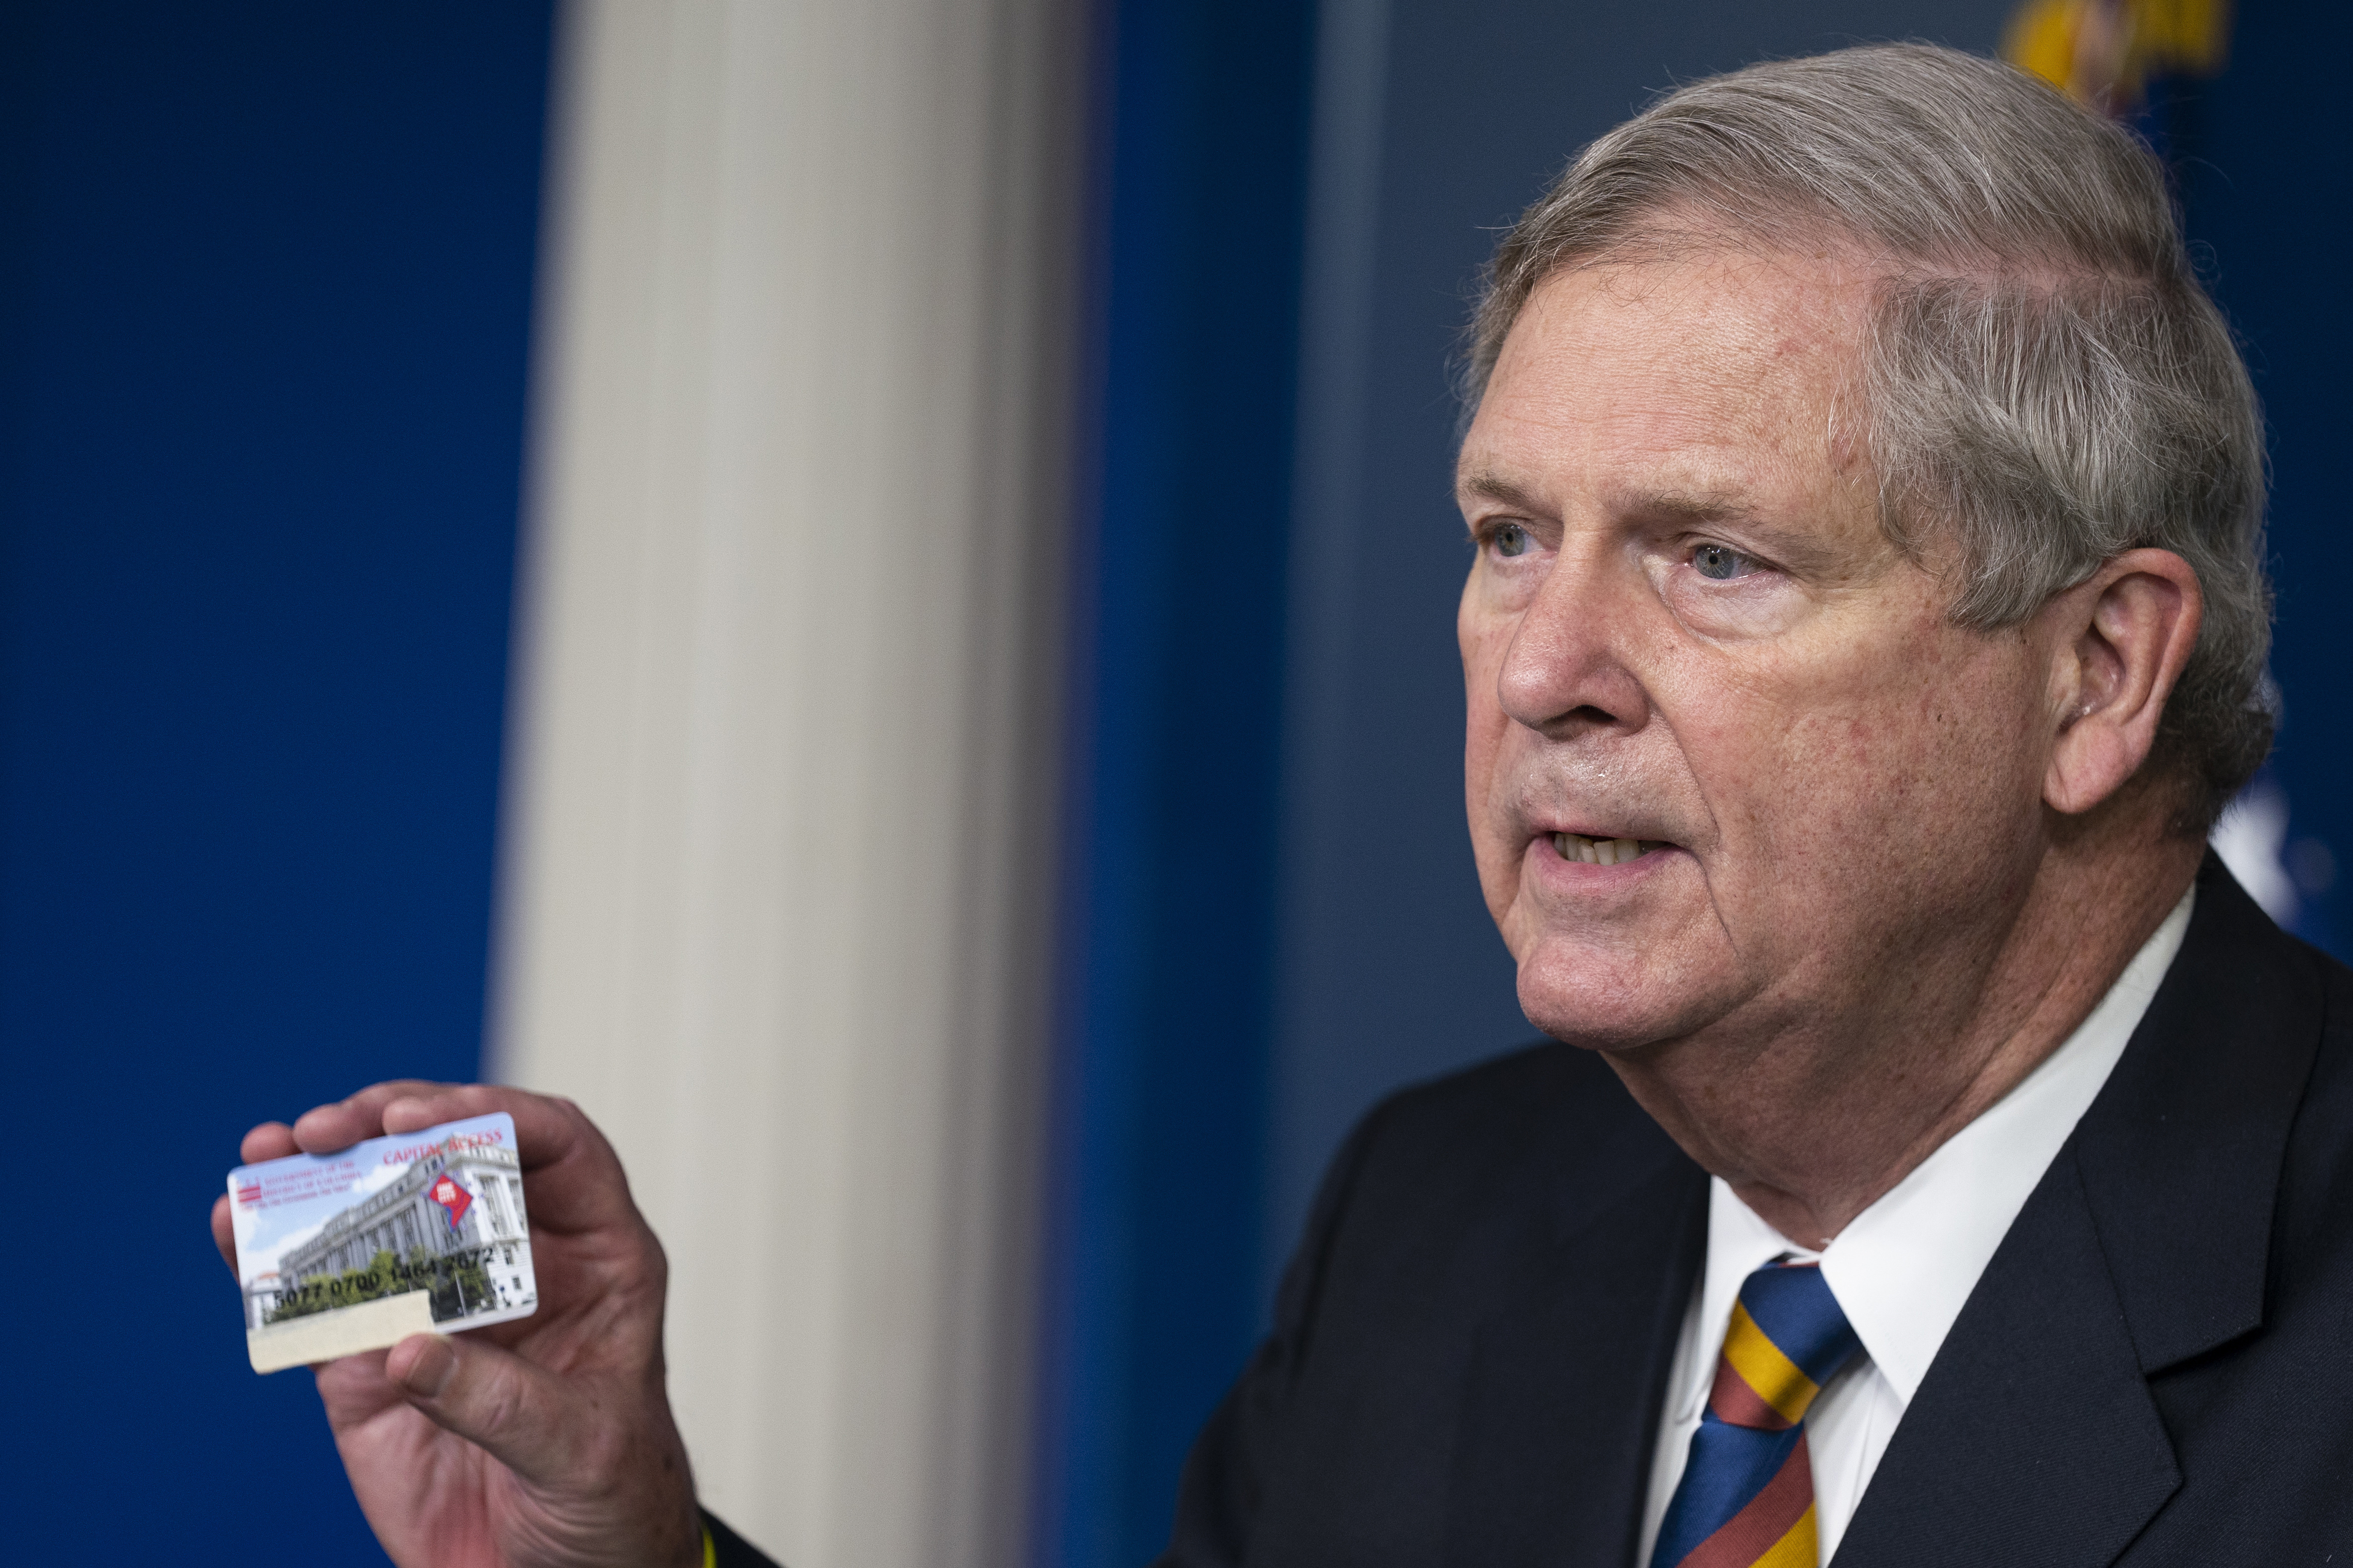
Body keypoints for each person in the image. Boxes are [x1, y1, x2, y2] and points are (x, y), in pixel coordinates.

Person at [213, 42, 2353, 1568]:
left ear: (2094, 675)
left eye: (1715, 557)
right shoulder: (1437, 1222)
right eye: (1510, 534)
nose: (1542, 668)